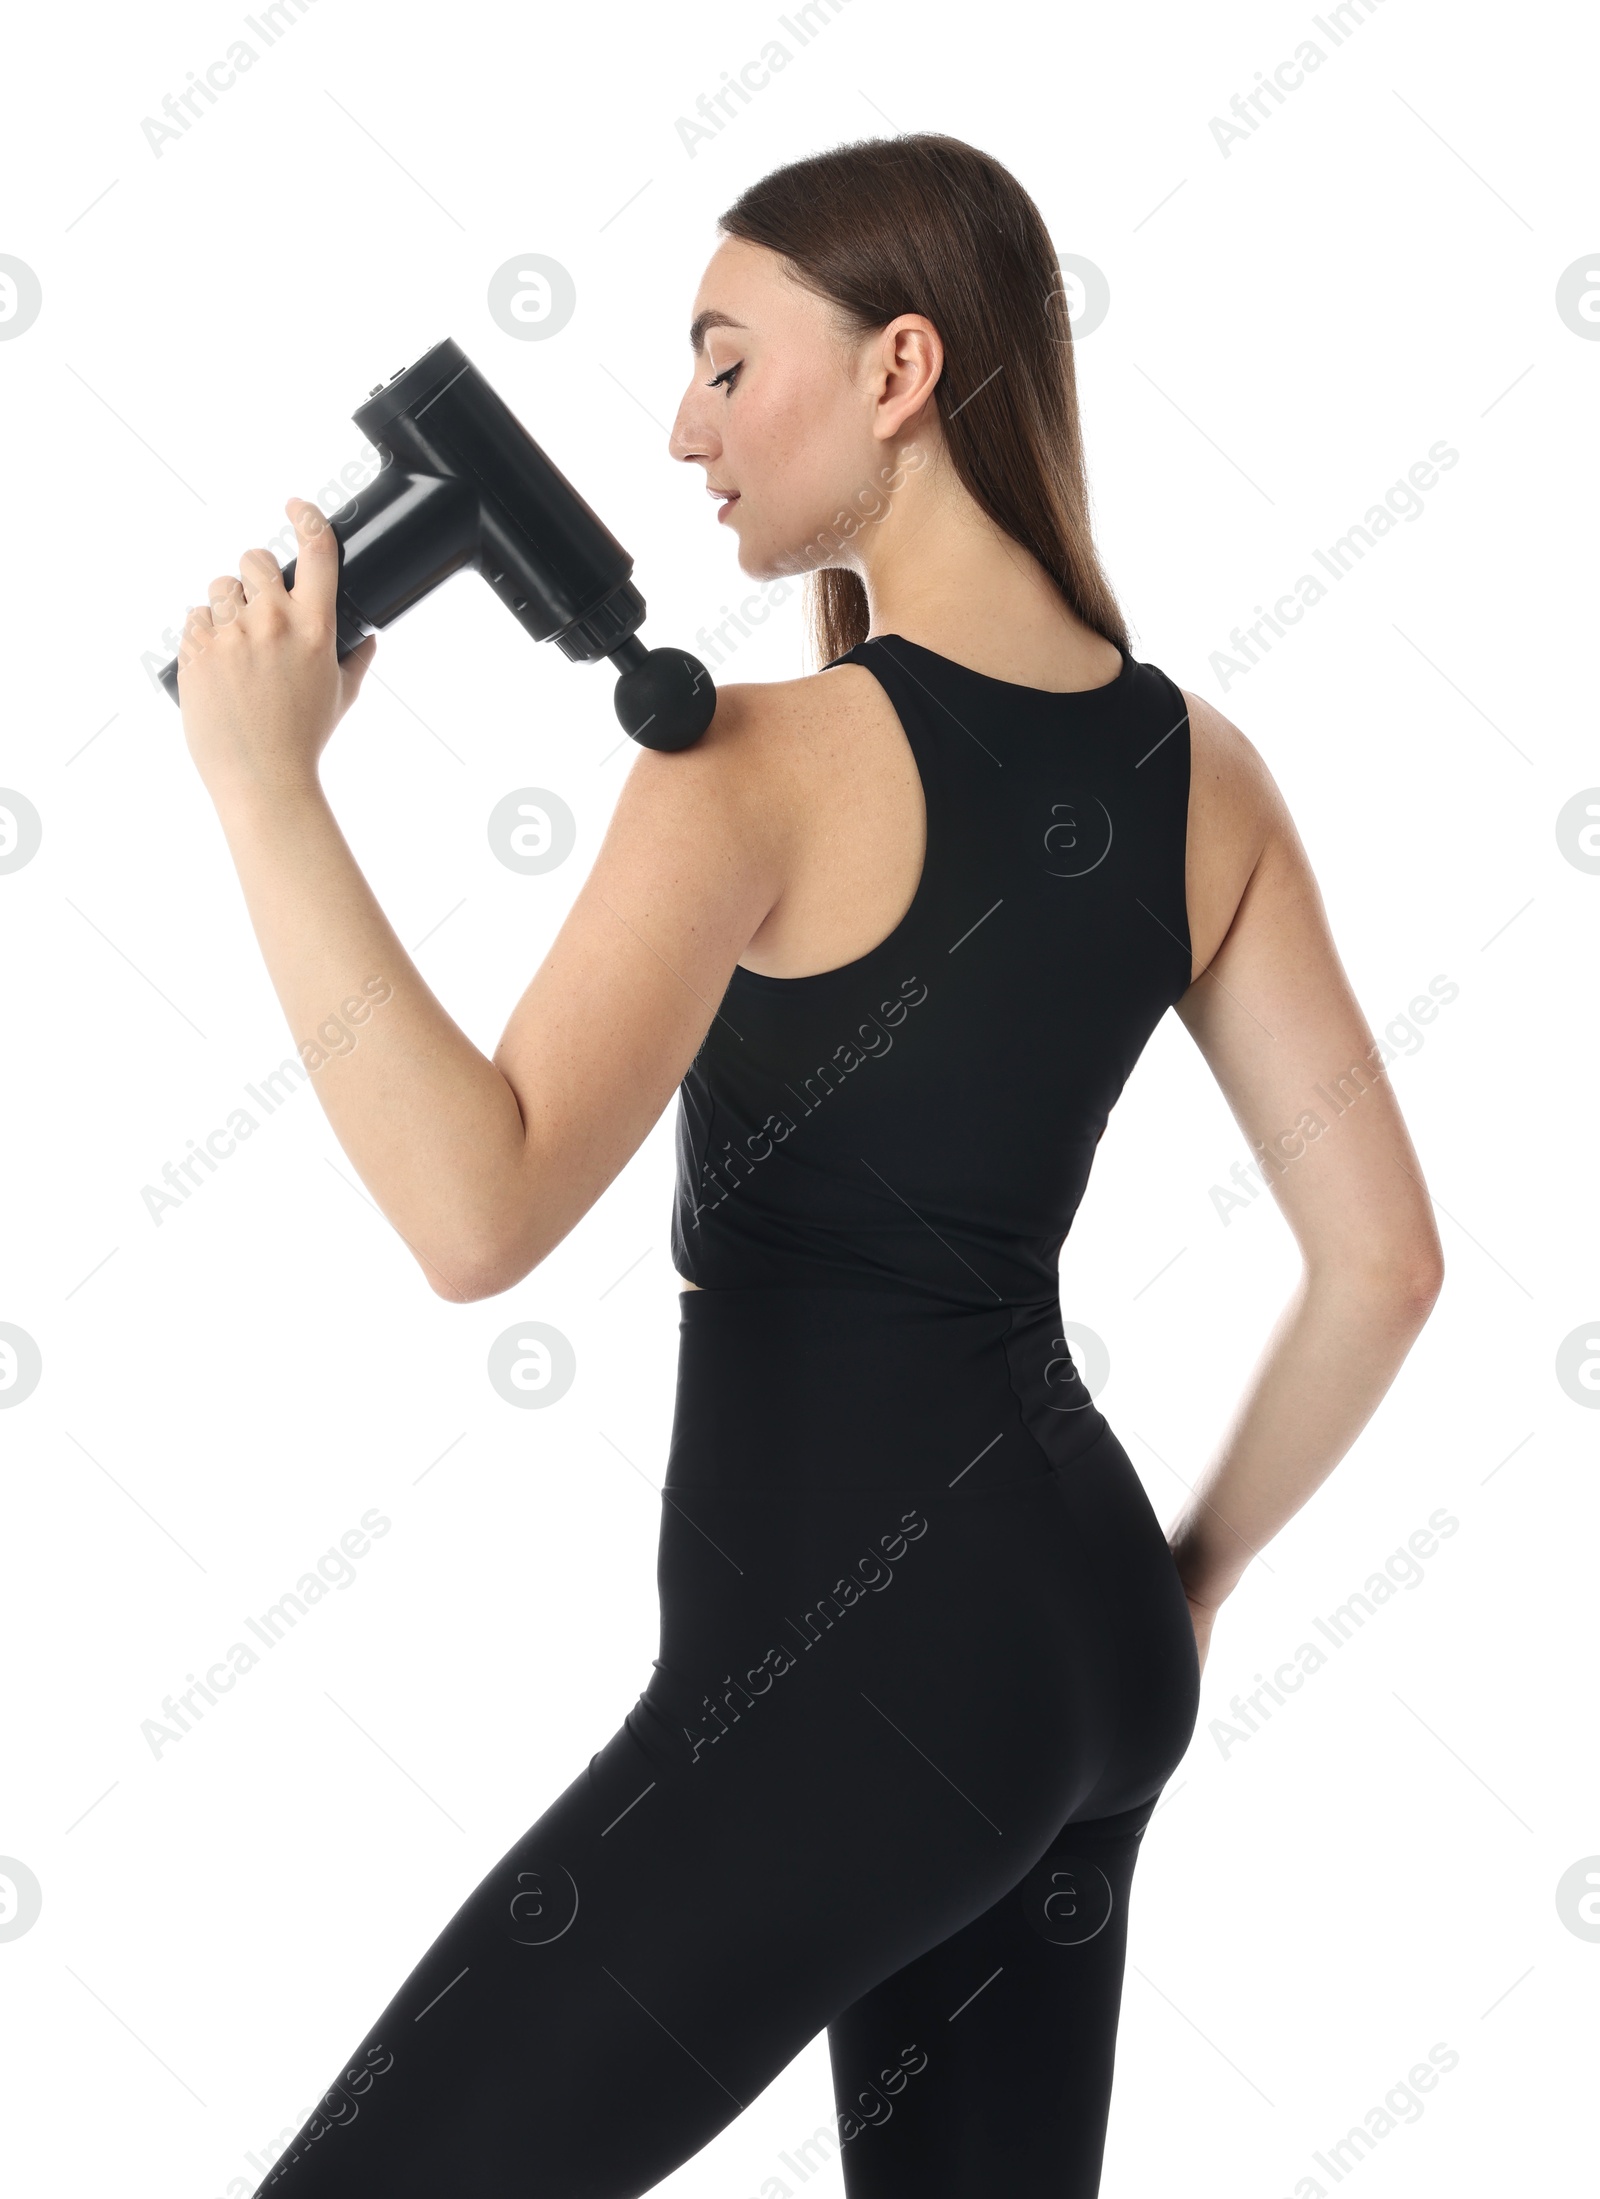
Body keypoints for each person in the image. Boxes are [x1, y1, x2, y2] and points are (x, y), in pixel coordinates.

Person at [174, 132, 1443, 2199]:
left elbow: (472, 1209)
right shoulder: (1198, 769)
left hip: (853, 1695)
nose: (680, 424)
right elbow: (1383, 1264)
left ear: (898, 371)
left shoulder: (751, 763)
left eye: (723, 358)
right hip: (1086, 1661)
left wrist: (262, 790)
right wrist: (1180, 1583)